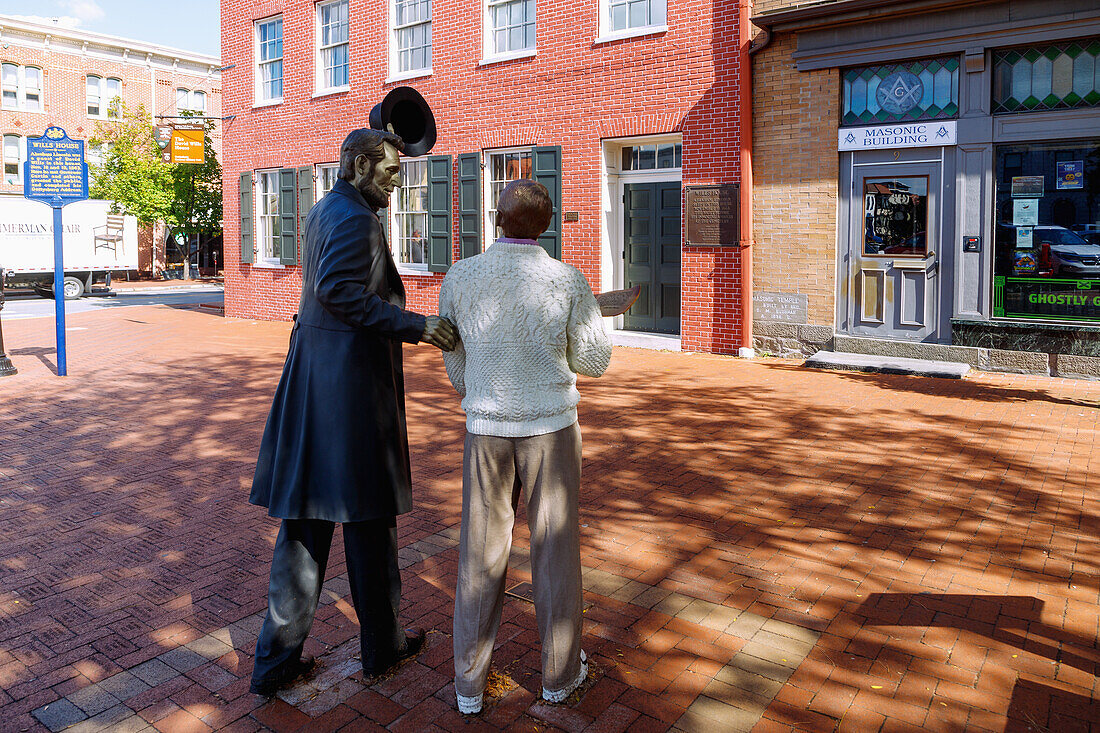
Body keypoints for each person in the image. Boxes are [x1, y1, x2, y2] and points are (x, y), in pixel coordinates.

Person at [248, 128, 458, 697]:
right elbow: (339, 291)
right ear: (360, 165)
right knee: (368, 523)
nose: (397, 180)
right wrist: (417, 326)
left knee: (305, 525)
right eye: (390, 171)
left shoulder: (326, 208)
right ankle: (382, 648)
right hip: (350, 393)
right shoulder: (356, 218)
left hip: (316, 383)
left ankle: (276, 664)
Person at [438, 179, 611, 714]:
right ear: (549, 223)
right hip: (550, 429)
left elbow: (456, 362)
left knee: (480, 551)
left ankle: (469, 685)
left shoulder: (461, 277)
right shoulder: (566, 280)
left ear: (495, 219)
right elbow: (594, 362)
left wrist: (483, 390)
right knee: (555, 551)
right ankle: (559, 676)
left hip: (486, 429)